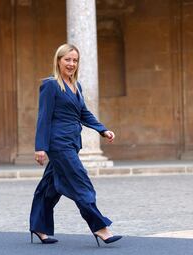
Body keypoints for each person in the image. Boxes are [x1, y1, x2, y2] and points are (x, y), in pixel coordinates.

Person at [29, 43, 122, 246]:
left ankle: (39, 226)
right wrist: (40, 146)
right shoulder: (51, 85)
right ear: (58, 61)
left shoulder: (76, 86)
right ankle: (100, 227)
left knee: (49, 187)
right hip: (58, 143)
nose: (71, 64)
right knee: (81, 182)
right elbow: (43, 117)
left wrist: (102, 129)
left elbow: (83, 113)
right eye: (67, 59)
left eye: (75, 60)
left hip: (71, 142)